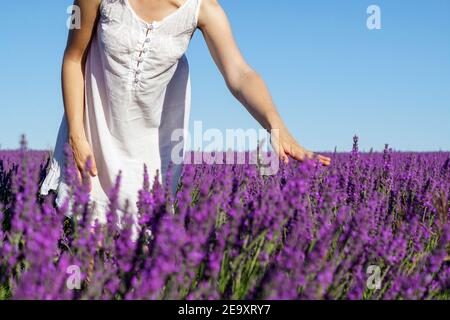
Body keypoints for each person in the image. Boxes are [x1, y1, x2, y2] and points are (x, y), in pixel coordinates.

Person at [39, 0, 331, 224]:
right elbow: (73, 59)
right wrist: (76, 133)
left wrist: (276, 126)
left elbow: (240, 74)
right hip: (91, 141)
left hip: (148, 156)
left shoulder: (202, 8)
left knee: (134, 270)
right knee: (84, 261)